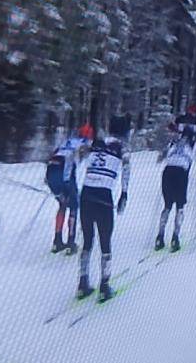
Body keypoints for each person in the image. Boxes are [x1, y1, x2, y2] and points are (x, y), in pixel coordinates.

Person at [78, 114, 132, 301]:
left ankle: (82, 282)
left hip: (86, 192)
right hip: (103, 194)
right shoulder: (122, 148)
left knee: (87, 240)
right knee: (105, 241)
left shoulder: (97, 142)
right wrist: (124, 193)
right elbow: (126, 169)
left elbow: (83, 157)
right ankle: (104, 285)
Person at [155, 117, 196, 251]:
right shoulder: (190, 147)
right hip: (181, 172)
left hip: (167, 171)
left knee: (167, 205)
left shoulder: (173, 143)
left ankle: (160, 237)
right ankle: (175, 238)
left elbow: (161, 157)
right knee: (180, 206)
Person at [45, 130, 88, 253]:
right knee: (74, 206)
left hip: (51, 173)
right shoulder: (84, 143)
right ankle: (70, 242)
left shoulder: (65, 142)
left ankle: (57, 241)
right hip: (66, 173)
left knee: (62, 204)